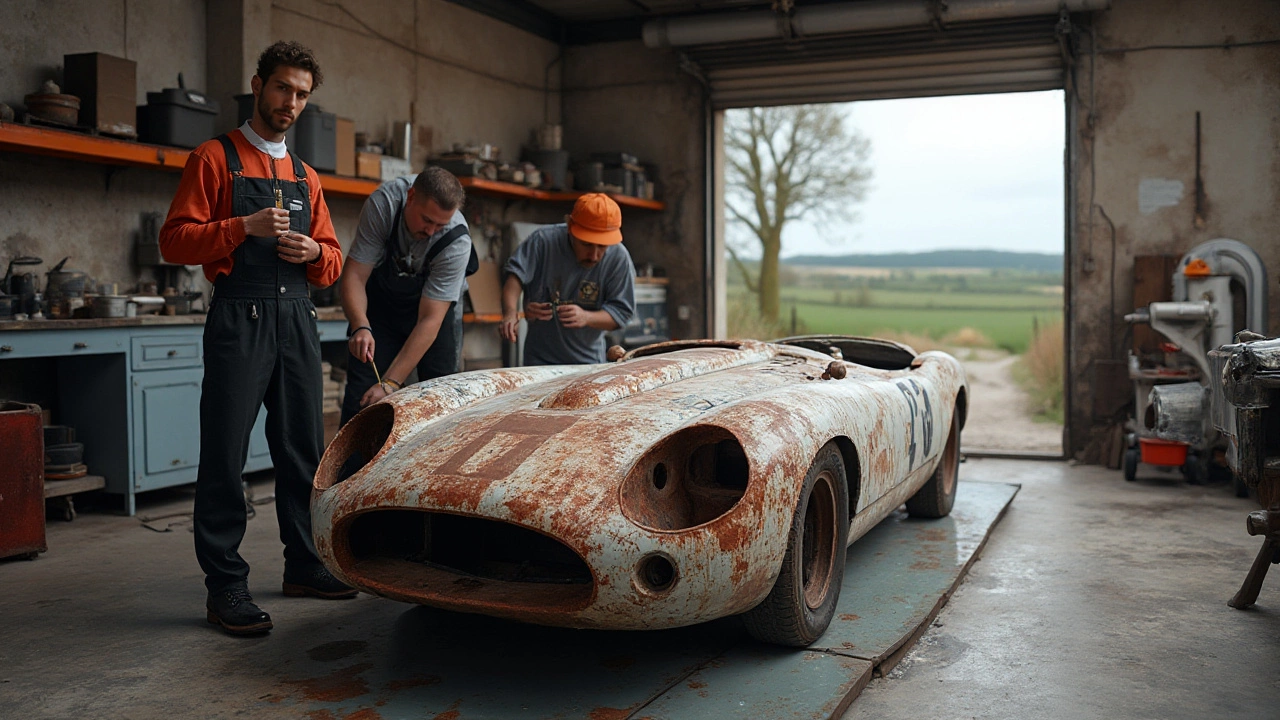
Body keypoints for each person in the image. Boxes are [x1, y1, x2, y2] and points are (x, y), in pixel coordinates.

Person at [159, 41, 355, 637]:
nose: (289, 102)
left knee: (301, 450)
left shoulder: (305, 176)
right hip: (238, 317)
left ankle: (304, 565)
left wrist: (314, 251)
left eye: (301, 95)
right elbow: (175, 241)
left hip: (297, 318)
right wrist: (239, 227)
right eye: (282, 89)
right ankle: (226, 589)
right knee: (226, 453)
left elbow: (333, 263)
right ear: (258, 85)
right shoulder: (214, 158)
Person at [339, 167, 473, 425]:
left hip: (436, 314)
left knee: (439, 394)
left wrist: (390, 383)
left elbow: (430, 320)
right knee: (363, 395)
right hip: (382, 304)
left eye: (440, 224)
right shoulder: (383, 205)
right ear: (411, 197)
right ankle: (355, 466)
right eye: (426, 220)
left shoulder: (456, 240)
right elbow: (355, 275)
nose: (432, 231)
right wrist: (360, 325)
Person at [499, 193, 636, 365]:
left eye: (602, 246)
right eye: (586, 244)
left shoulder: (618, 257)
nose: (594, 256)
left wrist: (586, 317)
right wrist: (511, 313)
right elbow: (515, 277)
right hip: (538, 361)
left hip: (588, 363)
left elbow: (621, 314)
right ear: (570, 226)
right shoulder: (542, 241)